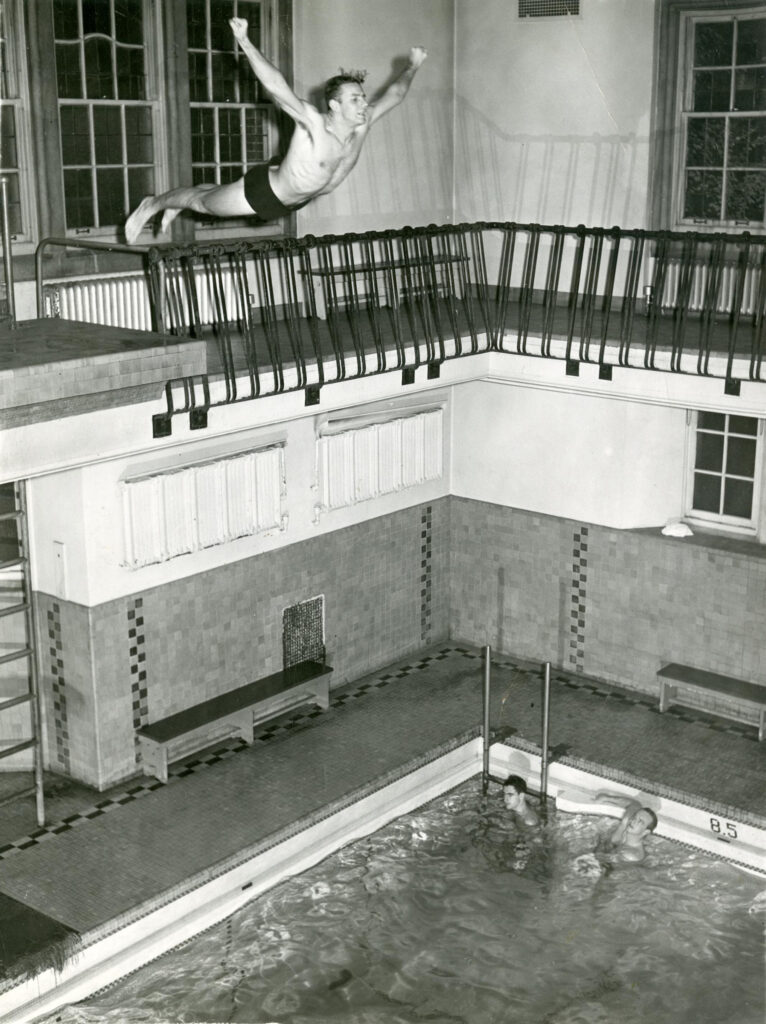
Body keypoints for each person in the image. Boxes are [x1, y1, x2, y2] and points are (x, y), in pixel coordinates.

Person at [125, 17, 428, 244]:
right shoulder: (313, 124)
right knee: (203, 204)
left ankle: (179, 200)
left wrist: (413, 65)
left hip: (296, 196)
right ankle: (153, 204)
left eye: (362, 97)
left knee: (207, 196)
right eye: (355, 99)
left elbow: (395, 95)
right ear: (334, 106)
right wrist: (244, 41)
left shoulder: (363, 123)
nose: (364, 104)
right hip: (267, 192)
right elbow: (277, 87)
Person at [597, 797, 658, 864]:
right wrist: (606, 798)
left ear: (645, 832)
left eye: (640, 822)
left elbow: (599, 859)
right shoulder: (625, 826)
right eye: (635, 817)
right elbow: (635, 804)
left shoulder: (631, 855)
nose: (633, 821)